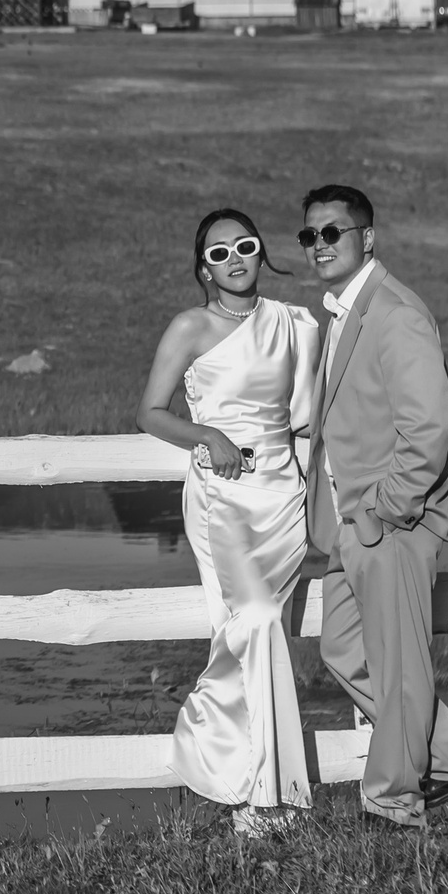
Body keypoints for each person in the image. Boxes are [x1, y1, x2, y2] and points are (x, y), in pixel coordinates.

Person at [298, 184, 448, 830]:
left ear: (368, 238)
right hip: (351, 524)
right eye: (310, 235)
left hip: (391, 521)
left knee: (400, 668)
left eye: (333, 231)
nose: (320, 244)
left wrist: (383, 509)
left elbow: (428, 427)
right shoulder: (343, 314)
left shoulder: (395, 312)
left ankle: (393, 798)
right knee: (342, 649)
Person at [137, 208, 321, 834]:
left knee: (250, 634)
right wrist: (206, 434)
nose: (234, 259)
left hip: (283, 498)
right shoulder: (190, 326)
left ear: (260, 251)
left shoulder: (294, 323)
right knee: (259, 619)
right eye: (218, 253)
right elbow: (150, 412)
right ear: (203, 270)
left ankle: (249, 791)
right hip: (223, 497)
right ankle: (266, 798)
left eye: (244, 246)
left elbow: (306, 418)